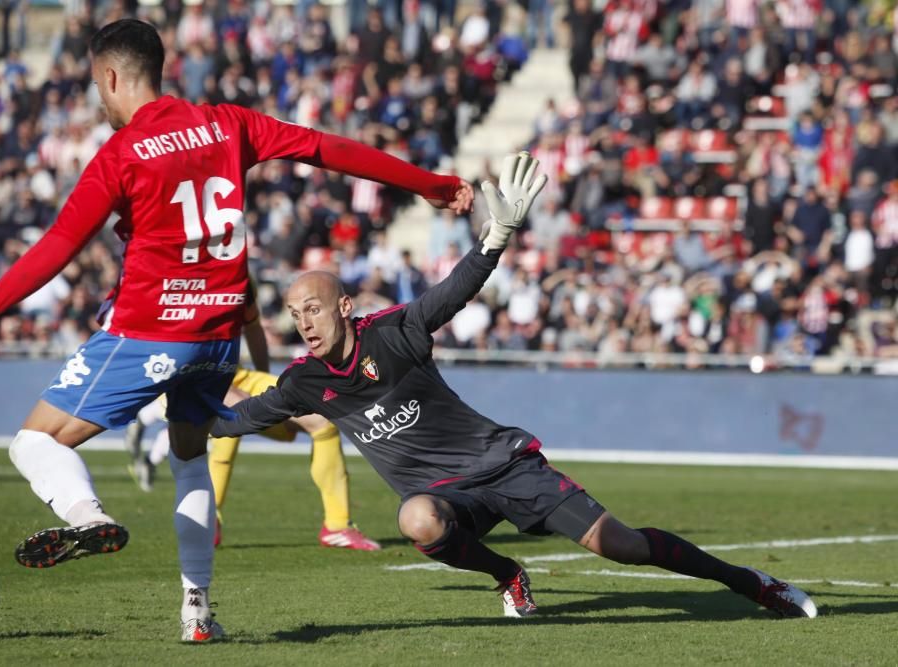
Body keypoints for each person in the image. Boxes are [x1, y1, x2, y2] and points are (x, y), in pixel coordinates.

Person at [0, 19, 472, 642]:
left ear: (111, 76)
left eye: (97, 84)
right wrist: (434, 186)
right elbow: (326, 148)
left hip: (149, 331)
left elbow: (59, 247)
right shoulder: (229, 124)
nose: (99, 96)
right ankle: (197, 613)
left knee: (36, 443)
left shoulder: (120, 155)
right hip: (216, 336)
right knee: (189, 459)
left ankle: (88, 516)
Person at [211, 152, 818, 620]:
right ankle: (508, 576)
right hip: (449, 498)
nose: (304, 323)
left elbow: (454, 290)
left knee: (622, 545)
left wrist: (493, 239)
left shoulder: (393, 332)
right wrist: (167, 394)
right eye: (294, 315)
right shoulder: (305, 382)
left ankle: (752, 582)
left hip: (502, 464)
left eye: (312, 309)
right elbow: (237, 418)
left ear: (343, 305)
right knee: (416, 519)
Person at [125, 279, 380, 551]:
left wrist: (269, 385)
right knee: (231, 416)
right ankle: (209, 521)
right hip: (184, 378)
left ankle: (337, 525)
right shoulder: (172, 276)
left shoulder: (238, 274)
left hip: (238, 377)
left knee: (321, 420)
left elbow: (253, 327)